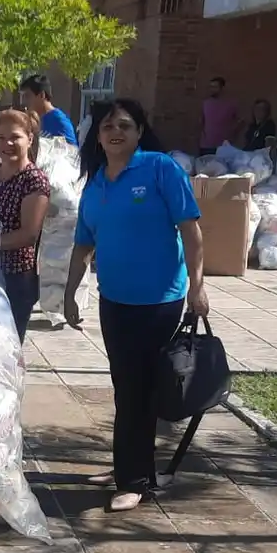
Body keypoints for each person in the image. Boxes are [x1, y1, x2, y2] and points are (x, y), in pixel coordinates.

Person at [64, 98, 207, 513]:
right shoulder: (95, 183)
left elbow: (191, 233)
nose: (116, 132)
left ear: (139, 132)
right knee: (127, 388)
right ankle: (126, 461)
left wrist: (198, 288)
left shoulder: (161, 169)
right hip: (115, 301)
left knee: (140, 391)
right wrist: (71, 291)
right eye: (108, 126)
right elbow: (83, 244)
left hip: (158, 302)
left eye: (125, 126)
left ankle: (136, 480)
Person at [0, 108, 51, 341]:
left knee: (8, 345)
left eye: (15, 137)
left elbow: (29, 234)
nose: (7, 143)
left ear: (29, 139)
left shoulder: (34, 180)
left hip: (16, 277)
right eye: (0, 137)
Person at [19, 74, 78, 144]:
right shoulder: (31, 121)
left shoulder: (59, 122)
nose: (23, 101)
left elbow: (71, 152)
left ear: (42, 95)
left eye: (27, 96)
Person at [199, 76, 240, 154]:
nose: (212, 89)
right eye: (211, 87)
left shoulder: (231, 104)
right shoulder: (205, 103)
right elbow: (201, 121)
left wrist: (231, 136)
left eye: (215, 87)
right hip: (206, 145)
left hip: (223, 145)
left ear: (222, 88)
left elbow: (240, 121)